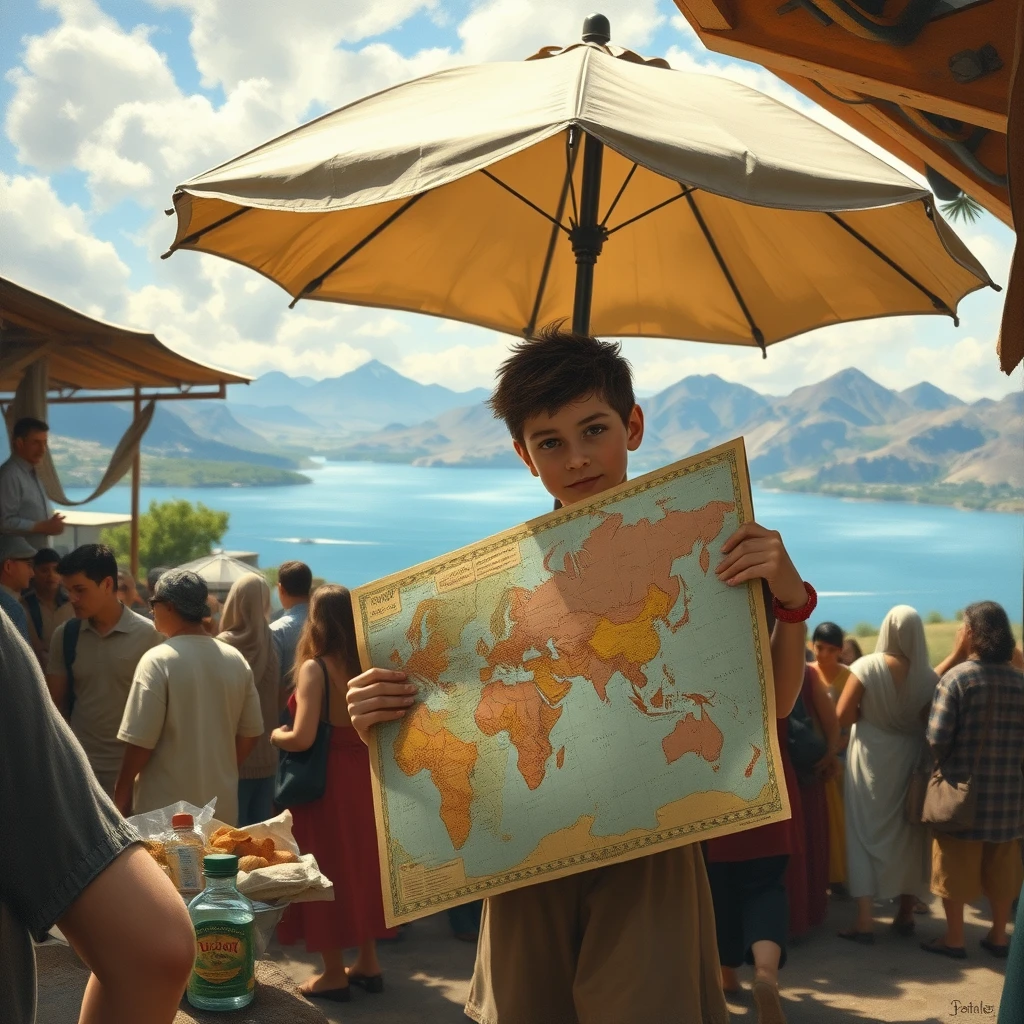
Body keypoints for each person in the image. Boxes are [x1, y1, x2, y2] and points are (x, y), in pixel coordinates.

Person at [345, 326, 813, 1024]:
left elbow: (769, 707)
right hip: (525, 858)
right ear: (523, 457)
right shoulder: (491, 595)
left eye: (593, 429)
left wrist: (790, 603)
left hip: (651, 853)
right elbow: (455, 741)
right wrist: (378, 717)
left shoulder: (698, 550)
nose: (578, 457)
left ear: (633, 425)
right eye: (551, 442)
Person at [0, 608, 195, 1024]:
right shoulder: (70, 635)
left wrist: (124, 787)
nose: (73, 598)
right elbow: (153, 947)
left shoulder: (153, 650)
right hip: (84, 781)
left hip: (113, 779)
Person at [273, 586, 396, 1000]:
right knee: (361, 868)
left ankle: (331, 973)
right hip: (366, 773)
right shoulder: (369, 664)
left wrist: (277, 734)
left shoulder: (314, 669)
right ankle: (368, 963)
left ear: (316, 620)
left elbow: (303, 736)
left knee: (320, 872)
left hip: (324, 783)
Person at [114, 570, 264, 824]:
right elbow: (251, 733)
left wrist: (122, 791)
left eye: (154, 604)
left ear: (169, 606)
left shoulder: (157, 660)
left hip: (165, 816)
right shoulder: (234, 659)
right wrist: (223, 767)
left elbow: (140, 743)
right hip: (220, 813)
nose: (151, 611)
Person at [920, 601, 1024, 960]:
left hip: (962, 794)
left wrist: (948, 761)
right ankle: (998, 937)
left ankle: (954, 938)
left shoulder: (958, 678)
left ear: (973, 634)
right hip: (1010, 797)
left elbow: (936, 736)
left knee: (954, 866)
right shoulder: (1020, 681)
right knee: (1004, 868)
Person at [837, 606, 936, 941]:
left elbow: (843, 715)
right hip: (909, 759)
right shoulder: (930, 677)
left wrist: (872, 713)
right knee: (909, 835)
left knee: (862, 833)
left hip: (869, 758)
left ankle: (864, 920)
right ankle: (906, 912)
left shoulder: (866, 666)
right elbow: (927, 721)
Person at [46, 545, 162, 796]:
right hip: (78, 775)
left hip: (133, 781)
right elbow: (55, 709)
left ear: (107, 585)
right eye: (68, 591)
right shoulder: (65, 636)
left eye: (80, 590)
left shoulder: (151, 637)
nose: (72, 599)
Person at [218, 572, 281, 826]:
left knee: (229, 838)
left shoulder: (222, 646)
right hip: (267, 755)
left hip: (232, 758)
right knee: (260, 839)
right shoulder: (272, 640)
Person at [811, 621, 851, 892]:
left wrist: (836, 748)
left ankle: (842, 876)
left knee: (843, 819)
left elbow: (857, 720)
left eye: (830, 649)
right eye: (819, 647)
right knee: (819, 819)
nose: (823, 654)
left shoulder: (849, 677)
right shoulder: (807, 673)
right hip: (811, 756)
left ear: (840, 650)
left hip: (842, 756)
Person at [0, 417, 65, 550]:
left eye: (44, 443)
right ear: (19, 443)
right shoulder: (10, 475)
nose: (42, 449)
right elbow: (4, 522)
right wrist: (43, 526)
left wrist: (51, 522)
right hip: (18, 563)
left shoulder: (31, 473)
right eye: (36, 442)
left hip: (36, 560)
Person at [22, 546, 73, 669]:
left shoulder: (72, 603)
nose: (51, 575)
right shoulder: (25, 604)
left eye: (56, 570)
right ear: (33, 573)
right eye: (44, 570)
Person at [270, 560, 312, 691]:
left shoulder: (276, 630)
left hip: (287, 708)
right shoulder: (325, 623)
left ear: (280, 589)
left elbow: (273, 680)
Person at [0, 535, 35, 644]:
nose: (32, 573)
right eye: (28, 565)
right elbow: (18, 659)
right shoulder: (12, 608)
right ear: (8, 566)